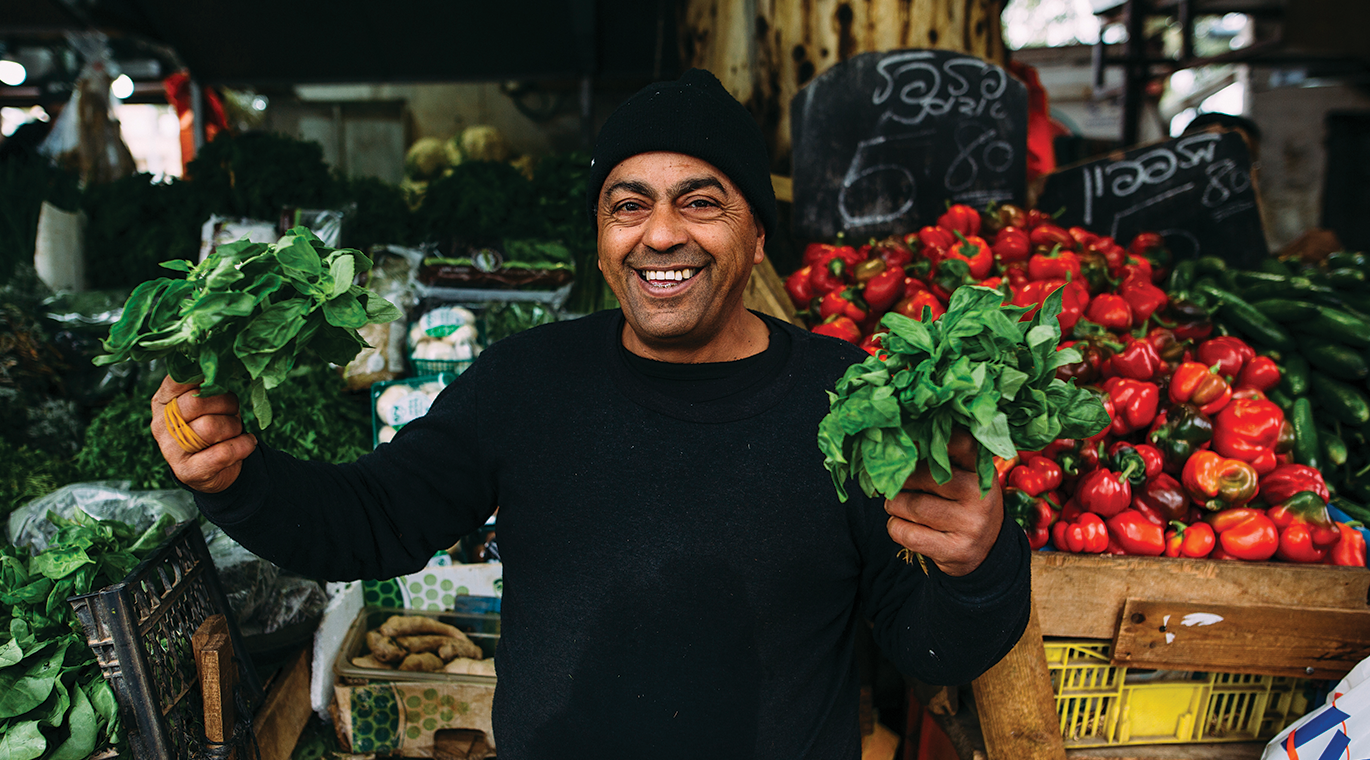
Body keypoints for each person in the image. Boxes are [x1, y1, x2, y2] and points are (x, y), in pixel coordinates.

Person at [151, 68, 1030, 759]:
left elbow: (931, 652)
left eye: (700, 200)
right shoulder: (526, 383)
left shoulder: (851, 402)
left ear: (757, 235)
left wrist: (981, 564)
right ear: (602, 237)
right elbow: (368, 524)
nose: (659, 234)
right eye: (628, 205)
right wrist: (240, 477)